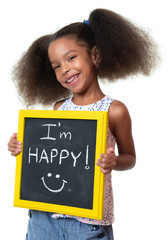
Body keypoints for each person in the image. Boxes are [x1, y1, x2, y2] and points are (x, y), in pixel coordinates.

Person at [8, 8, 158, 240]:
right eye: (56, 65)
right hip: (44, 216)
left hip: (86, 222)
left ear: (95, 55)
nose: (64, 69)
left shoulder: (114, 110)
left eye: (71, 57)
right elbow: (51, 154)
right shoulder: (59, 108)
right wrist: (23, 148)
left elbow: (130, 158)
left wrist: (114, 161)